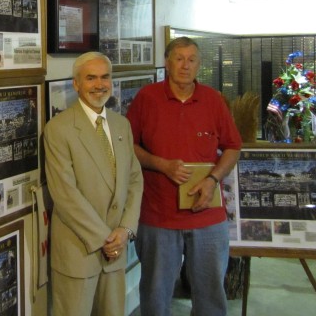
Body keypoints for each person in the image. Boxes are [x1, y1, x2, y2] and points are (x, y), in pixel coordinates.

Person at [126, 37, 242, 316]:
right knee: (155, 295)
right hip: (157, 216)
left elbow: (233, 147)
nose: (185, 65)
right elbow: (128, 145)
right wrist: (160, 164)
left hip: (207, 216)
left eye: (191, 59)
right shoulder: (147, 98)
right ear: (167, 63)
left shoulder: (214, 100)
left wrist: (213, 179)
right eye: (179, 58)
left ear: (199, 65)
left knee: (211, 296)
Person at [44, 52, 143, 316]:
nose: (99, 84)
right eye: (91, 78)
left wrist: (125, 230)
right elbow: (65, 194)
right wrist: (105, 239)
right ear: (76, 84)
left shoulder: (122, 125)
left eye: (105, 77)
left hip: (116, 251)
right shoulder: (59, 129)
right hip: (79, 253)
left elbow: (135, 180)